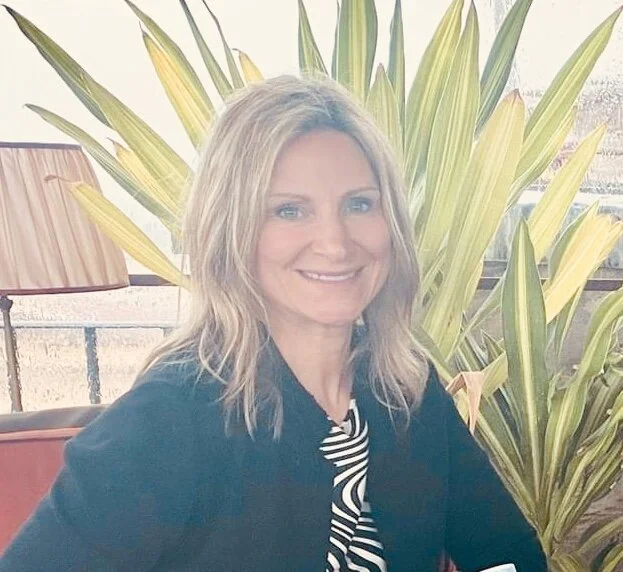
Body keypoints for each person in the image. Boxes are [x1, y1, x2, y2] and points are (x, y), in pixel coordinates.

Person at [0, 75, 547, 571]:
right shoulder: (168, 418)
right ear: (232, 231)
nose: (335, 243)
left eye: (359, 204)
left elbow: (508, 554)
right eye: (289, 210)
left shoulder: (406, 390)